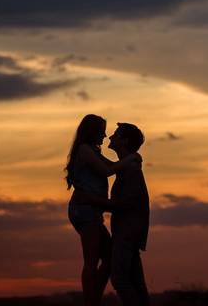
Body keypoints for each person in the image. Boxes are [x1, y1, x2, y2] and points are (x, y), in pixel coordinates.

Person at [65, 115, 142, 306]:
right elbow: (107, 171)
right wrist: (132, 157)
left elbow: (111, 166)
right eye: (102, 131)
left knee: (108, 259)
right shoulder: (84, 150)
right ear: (92, 131)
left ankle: (93, 300)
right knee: (91, 261)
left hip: (92, 211)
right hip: (85, 210)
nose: (105, 135)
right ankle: (91, 302)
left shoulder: (91, 150)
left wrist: (129, 160)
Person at [106, 122, 151, 306]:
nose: (110, 137)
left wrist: (96, 203)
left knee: (120, 279)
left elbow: (127, 202)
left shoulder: (131, 169)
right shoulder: (127, 166)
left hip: (127, 232)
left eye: (116, 134)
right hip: (128, 232)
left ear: (124, 141)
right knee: (135, 283)